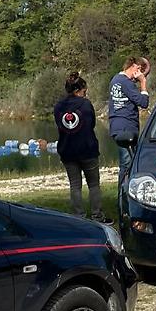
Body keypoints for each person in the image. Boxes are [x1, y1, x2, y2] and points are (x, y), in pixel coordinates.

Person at [54, 71, 104, 220]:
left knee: (75, 185)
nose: (85, 94)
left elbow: (60, 125)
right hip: (87, 150)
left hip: (67, 151)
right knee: (94, 184)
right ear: (77, 90)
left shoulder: (59, 106)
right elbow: (92, 124)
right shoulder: (86, 104)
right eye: (84, 91)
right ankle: (97, 215)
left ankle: (78, 216)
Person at [108, 55, 149, 183]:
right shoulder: (126, 82)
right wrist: (143, 83)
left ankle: (124, 195)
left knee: (126, 164)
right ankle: (124, 198)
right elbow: (143, 102)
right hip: (126, 128)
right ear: (135, 67)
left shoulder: (115, 80)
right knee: (127, 165)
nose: (141, 75)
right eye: (142, 71)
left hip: (117, 126)